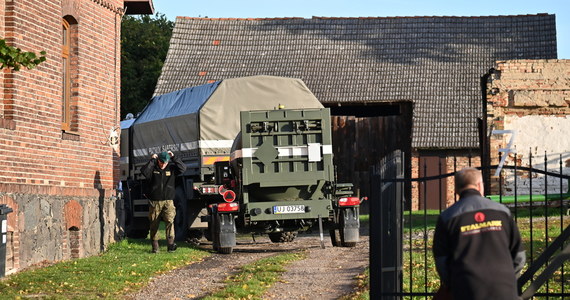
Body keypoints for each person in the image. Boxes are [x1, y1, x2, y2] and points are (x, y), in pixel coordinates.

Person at [432, 167, 526, 300]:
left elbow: (441, 261)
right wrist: (507, 278)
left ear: (457, 189)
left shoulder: (447, 217)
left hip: (467, 289)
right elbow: (519, 256)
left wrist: (455, 284)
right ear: (480, 185)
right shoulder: (502, 212)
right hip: (504, 288)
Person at [140, 150, 186, 253]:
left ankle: (170, 245)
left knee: (170, 221)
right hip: (155, 201)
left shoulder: (172, 169)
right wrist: (152, 160)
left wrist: (174, 157)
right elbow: (144, 172)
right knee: (154, 223)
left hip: (168, 201)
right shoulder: (153, 168)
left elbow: (183, 168)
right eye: (161, 162)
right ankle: (155, 247)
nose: (163, 165)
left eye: (165, 163)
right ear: (158, 161)